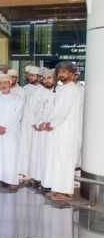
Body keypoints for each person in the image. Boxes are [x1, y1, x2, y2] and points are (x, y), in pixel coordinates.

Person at [43, 62, 83, 200]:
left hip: (67, 130)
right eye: (59, 72)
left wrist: (52, 123)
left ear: (72, 74)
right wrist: (49, 122)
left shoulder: (72, 89)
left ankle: (65, 191)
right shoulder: (61, 89)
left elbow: (63, 111)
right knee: (57, 159)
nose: (61, 74)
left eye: (64, 72)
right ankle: (57, 188)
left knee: (65, 160)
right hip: (58, 130)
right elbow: (55, 109)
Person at [0, 73, 24, 188]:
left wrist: (5, 127)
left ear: (10, 84)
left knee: (10, 155)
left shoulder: (18, 99)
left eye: (6, 83)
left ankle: (10, 180)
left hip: (11, 132)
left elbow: (17, 116)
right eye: (1, 83)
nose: (3, 85)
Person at [29, 68, 55, 184]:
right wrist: (36, 123)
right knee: (38, 154)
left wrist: (49, 123)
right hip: (39, 129)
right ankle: (38, 179)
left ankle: (48, 182)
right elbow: (31, 110)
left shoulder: (59, 92)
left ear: (54, 78)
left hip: (51, 130)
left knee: (49, 156)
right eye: (44, 79)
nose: (46, 81)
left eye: (49, 78)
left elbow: (59, 111)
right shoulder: (37, 92)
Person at [18, 66, 43, 179]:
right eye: (29, 75)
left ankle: (35, 173)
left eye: (33, 75)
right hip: (26, 123)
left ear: (39, 76)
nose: (30, 77)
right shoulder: (25, 89)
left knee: (36, 148)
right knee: (24, 147)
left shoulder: (43, 89)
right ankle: (23, 171)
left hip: (38, 124)